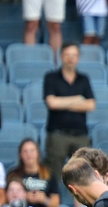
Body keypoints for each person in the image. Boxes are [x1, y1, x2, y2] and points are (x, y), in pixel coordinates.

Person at [43, 43, 96, 188]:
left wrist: (62, 103)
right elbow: (51, 103)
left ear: (78, 58)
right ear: (61, 57)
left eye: (74, 55)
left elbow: (91, 105)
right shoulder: (51, 77)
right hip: (57, 135)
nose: (70, 59)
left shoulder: (83, 79)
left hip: (80, 135)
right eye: (67, 55)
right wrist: (78, 98)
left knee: (84, 176)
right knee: (53, 176)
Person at [7, 140, 62, 207]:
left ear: (38, 153)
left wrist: (44, 200)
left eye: (32, 151)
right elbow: (5, 199)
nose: (29, 154)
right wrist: (24, 197)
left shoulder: (49, 174)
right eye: (25, 151)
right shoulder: (13, 174)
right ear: (20, 155)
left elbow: (56, 204)